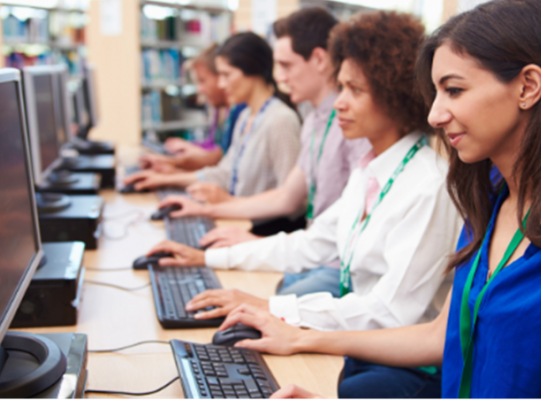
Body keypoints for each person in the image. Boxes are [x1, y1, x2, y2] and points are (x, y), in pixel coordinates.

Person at [216, 1, 541, 399]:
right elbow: (440, 335)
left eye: (454, 90)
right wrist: (298, 338)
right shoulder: (489, 197)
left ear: (528, 86)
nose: (434, 115)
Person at [147, 11, 461, 334]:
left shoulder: (428, 185)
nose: (339, 102)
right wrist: (207, 258)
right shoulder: (370, 169)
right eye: (340, 87)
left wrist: (269, 306)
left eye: (354, 90)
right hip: (364, 332)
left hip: (402, 360)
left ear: (394, 92)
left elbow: (390, 312)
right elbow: (312, 244)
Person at [156, 7, 371, 297]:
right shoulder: (314, 121)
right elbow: (287, 194)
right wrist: (207, 210)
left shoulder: (353, 126)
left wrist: (252, 240)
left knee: (250, 302)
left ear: (319, 59)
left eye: (286, 65)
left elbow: (297, 211)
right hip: (312, 255)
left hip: (334, 264)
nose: (280, 76)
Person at [123, 33, 301, 204]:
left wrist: (228, 203)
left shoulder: (280, 121)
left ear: (251, 70)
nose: (222, 84)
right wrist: (166, 179)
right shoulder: (247, 116)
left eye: (227, 75)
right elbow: (224, 174)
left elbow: (291, 200)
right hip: (239, 218)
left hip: (263, 228)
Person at [138, 44, 246, 173]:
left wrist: (176, 166)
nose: (199, 89)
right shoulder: (220, 109)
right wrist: (190, 149)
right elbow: (216, 150)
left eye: (202, 81)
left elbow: (222, 158)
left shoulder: (240, 111)